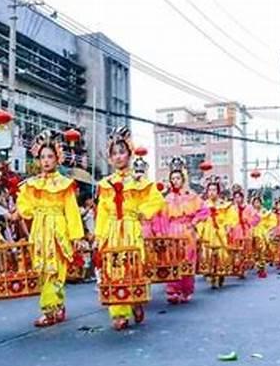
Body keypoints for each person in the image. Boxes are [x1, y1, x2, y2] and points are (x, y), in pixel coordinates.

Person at [95, 127, 165, 330]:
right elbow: (102, 211)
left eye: (122, 152)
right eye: (114, 153)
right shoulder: (106, 184)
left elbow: (156, 200)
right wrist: (99, 236)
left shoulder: (139, 181)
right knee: (113, 270)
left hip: (131, 229)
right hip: (112, 231)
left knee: (132, 268)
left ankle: (135, 301)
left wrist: (142, 212)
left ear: (129, 154)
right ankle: (119, 313)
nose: (118, 157)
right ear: (110, 157)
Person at [16, 130, 84, 327]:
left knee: (57, 269)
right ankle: (56, 304)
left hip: (58, 229)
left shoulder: (65, 184)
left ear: (57, 159)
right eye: (42, 157)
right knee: (43, 269)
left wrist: (76, 235)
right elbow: (25, 207)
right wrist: (25, 211)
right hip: (39, 229)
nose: (46, 161)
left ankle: (49, 309)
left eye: (50, 157)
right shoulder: (32, 184)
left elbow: (71, 210)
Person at [154, 158, 208, 304]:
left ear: (183, 179)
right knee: (172, 260)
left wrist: (194, 222)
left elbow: (203, 210)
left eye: (178, 178)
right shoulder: (167, 199)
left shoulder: (191, 196)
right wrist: (161, 233)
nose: (175, 181)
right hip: (172, 232)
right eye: (172, 178)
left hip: (186, 231)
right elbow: (160, 217)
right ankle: (172, 290)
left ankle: (186, 289)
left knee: (186, 261)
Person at [197, 176, 238, 288]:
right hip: (208, 231)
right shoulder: (203, 205)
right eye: (209, 190)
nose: (211, 192)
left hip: (220, 230)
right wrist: (200, 228)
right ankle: (211, 276)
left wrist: (228, 226)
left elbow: (231, 217)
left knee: (221, 252)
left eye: (214, 190)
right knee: (208, 252)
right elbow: (199, 218)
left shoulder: (224, 204)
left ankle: (221, 274)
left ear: (218, 192)